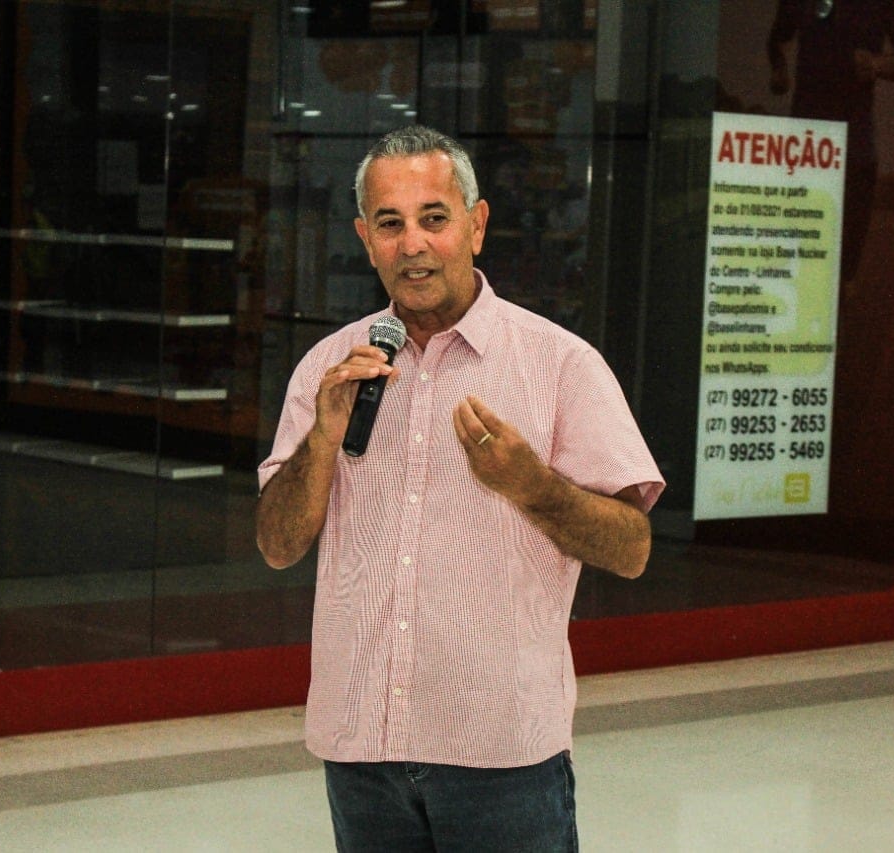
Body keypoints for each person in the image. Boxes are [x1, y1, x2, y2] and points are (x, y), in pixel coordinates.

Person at [255, 125, 665, 851]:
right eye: (390, 223)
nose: (412, 244)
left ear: (476, 226)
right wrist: (322, 436)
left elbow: (632, 548)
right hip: (362, 751)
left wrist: (530, 484)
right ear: (366, 238)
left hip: (502, 756)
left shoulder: (559, 364)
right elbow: (278, 545)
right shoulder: (330, 366)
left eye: (434, 218)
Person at [767, 0, 894, 283]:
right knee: (800, 270)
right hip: (805, 150)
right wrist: (779, 71)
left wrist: (877, 64)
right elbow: (777, 39)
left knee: (842, 276)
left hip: (855, 151)